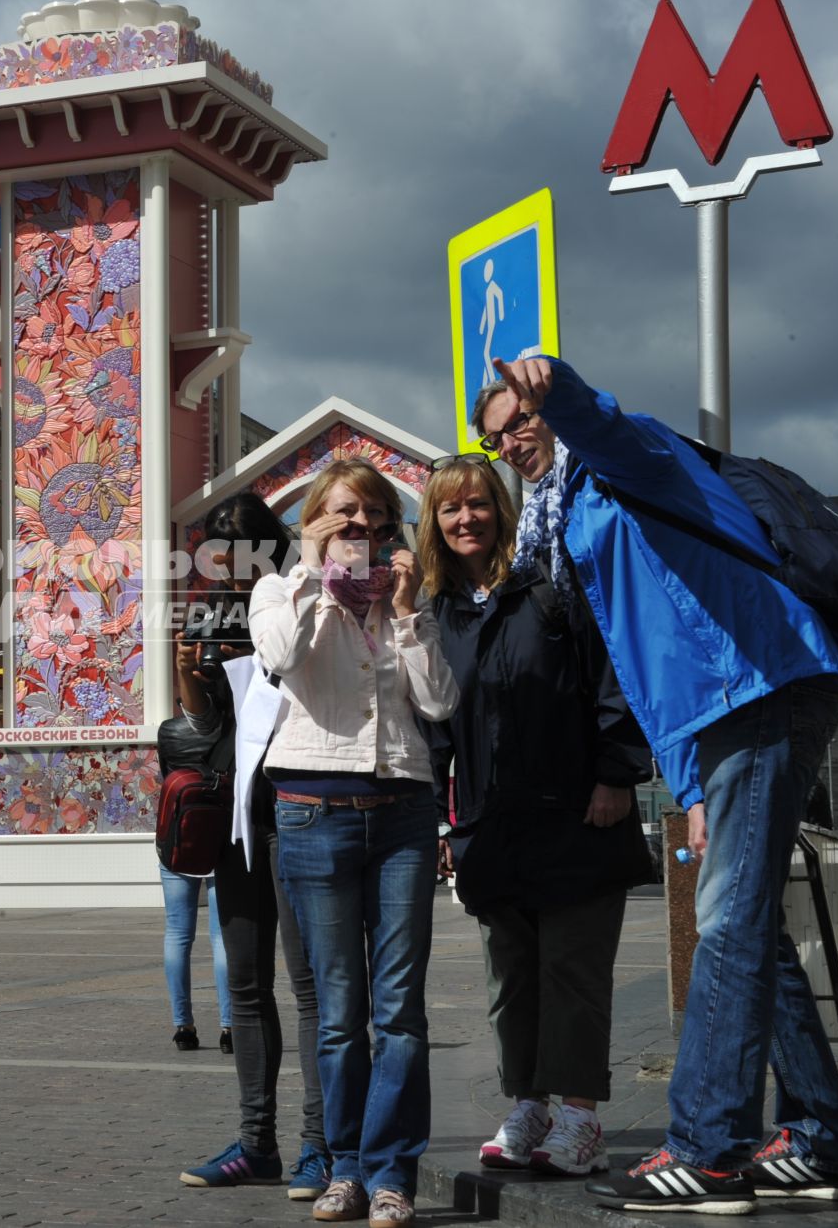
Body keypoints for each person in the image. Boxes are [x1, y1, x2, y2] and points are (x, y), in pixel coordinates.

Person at [479, 357, 838, 1211]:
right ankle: (825, 1138)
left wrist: (562, 389)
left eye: (518, 421)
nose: (509, 443)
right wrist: (690, 783)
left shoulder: (628, 460)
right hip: (720, 707)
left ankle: (708, 1148)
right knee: (751, 927)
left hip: (761, 680)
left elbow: (606, 425)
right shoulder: (567, 521)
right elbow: (649, 657)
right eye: (493, 435)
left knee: (727, 920)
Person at [417, 454, 652, 1180]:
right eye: (451, 508)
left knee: (573, 971)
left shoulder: (550, 586)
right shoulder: (437, 614)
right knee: (511, 977)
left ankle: (579, 1116)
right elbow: (435, 730)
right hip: (493, 827)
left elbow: (613, 674)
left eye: (479, 503)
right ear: (434, 520)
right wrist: (440, 821)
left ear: (502, 510)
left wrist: (617, 773)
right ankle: (530, 1102)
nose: (466, 518)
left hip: (579, 812)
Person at [251, 459, 458, 1227]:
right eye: (342, 516)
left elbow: (439, 700)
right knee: (339, 1008)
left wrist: (405, 612)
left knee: (399, 1008)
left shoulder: (406, 598)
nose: (358, 531)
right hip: (312, 810)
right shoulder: (280, 590)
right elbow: (279, 658)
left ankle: (392, 1171)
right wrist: (313, 572)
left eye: (371, 517)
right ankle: (343, 1167)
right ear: (313, 523)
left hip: (402, 808)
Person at [175, 492, 332, 1203]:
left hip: (300, 804)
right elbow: (206, 720)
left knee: (307, 985)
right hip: (240, 809)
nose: (233, 571)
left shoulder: (305, 596)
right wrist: (191, 667)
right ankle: (256, 1142)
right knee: (243, 982)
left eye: (245, 553)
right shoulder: (209, 608)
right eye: (220, 555)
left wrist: (263, 650)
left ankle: (319, 1147)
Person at [159, 867, 231, 1053]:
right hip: (220, 853)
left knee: (176, 933)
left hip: (177, 849)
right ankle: (229, 1028)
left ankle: (183, 1027)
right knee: (222, 936)